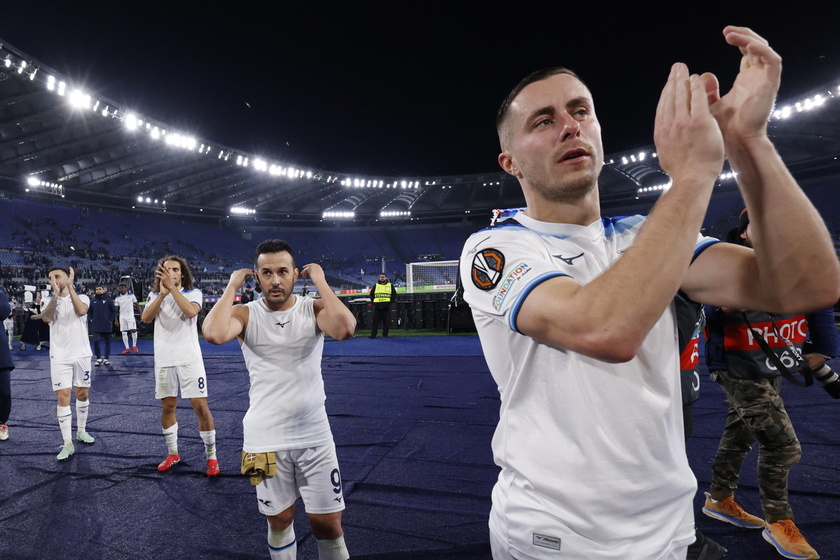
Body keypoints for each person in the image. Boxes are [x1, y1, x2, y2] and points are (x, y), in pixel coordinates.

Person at [459, 26, 840, 560]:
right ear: (511, 163)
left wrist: (748, 143)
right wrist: (693, 175)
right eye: (543, 121)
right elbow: (604, 329)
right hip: (558, 538)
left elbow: (808, 284)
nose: (569, 126)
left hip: (668, 527)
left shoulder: (643, 235)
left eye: (580, 111)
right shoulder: (494, 248)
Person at [202, 239, 355, 560]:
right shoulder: (246, 313)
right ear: (257, 276)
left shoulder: (312, 308)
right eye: (266, 273)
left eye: (282, 272)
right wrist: (231, 285)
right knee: (280, 521)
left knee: (327, 526)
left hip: (314, 437)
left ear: (295, 274)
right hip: (264, 440)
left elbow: (344, 328)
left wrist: (321, 283)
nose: (275, 280)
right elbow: (214, 334)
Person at [701, 210, 838, 560]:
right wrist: (723, 309)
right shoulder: (725, 263)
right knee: (783, 445)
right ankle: (778, 522)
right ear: (744, 235)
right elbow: (705, 309)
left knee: (740, 432)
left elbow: (821, 301)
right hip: (738, 366)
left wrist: (822, 348)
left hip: (774, 361)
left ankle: (718, 499)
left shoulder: (798, 265)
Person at [140, 255, 219, 476]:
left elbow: (191, 311)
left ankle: (211, 457)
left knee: (200, 406)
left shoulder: (193, 293)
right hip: (164, 359)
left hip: (189, 358)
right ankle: (173, 453)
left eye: (174, 269)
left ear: (181, 273)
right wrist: (162, 294)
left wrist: (172, 290)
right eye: (166, 270)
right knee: (168, 406)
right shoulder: (155, 295)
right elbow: (146, 318)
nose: (170, 273)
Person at [41, 267, 96, 460]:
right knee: (63, 397)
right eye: (50, 278)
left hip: (81, 354)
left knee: (82, 393)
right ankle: (68, 443)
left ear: (67, 277)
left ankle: (81, 430)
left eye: (57, 276)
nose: (53, 280)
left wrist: (70, 289)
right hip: (59, 356)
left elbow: (82, 311)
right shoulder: (48, 300)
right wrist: (56, 295)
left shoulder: (83, 297)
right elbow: (47, 317)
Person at [89, 285, 117, 366]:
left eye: (100, 289)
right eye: (96, 289)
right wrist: (91, 319)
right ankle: (98, 358)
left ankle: (106, 358)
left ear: (104, 290)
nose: (98, 291)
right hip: (96, 325)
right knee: (96, 341)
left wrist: (110, 319)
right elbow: (89, 313)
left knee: (107, 342)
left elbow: (114, 311)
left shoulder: (109, 301)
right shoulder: (92, 301)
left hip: (106, 325)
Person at [0, 285, 14, 441]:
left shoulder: (1, 295)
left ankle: (1, 423)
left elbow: (4, 311)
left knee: (4, 393)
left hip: (1, 354)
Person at [368, 273, 396, 338]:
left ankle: (385, 334)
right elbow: (371, 295)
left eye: (383, 277)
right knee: (375, 322)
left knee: (386, 322)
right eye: (381, 277)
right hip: (377, 307)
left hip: (386, 307)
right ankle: (373, 335)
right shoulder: (376, 285)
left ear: (386, 278)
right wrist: (374, 303)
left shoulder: (390, 285)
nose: (382, 278)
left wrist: (389, 303)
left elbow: (394, 295)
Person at [115, 282, 140, 353]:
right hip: (122, 317)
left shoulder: (131, 296)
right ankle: (127, 348)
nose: (121, 289)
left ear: (126, 288)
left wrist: (141, 313)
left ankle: (134, 345)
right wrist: (116, 319)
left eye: (123, 287)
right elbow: (116, 309)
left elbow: (137, 305)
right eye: (120, 288)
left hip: (130, 316)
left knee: (133, 330)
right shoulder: (117, 298)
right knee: (124, 332)